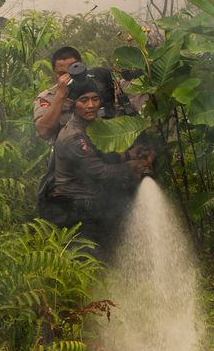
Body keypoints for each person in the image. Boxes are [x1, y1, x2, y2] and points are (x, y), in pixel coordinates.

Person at [47, 75, 153, 257]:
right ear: (73, 103)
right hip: (76, 211)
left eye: (95, 99)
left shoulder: (92, 126)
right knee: (89, 262)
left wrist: (128, 154)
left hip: (93, 203)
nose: (90, 105)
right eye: (84, 100)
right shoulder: (75, 137)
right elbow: (101, 172)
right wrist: (132, 166)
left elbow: (102, 153)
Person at [33, 46, 82, 143]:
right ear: (55, 74)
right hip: (65, 152)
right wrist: (60, 95)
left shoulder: (93, 88)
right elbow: (44, 132)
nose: (68, 77)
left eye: (72, 72)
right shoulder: (47, 97)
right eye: (62, 73)